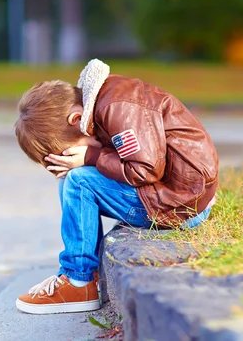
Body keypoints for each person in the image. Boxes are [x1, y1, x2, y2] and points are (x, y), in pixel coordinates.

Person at [13, 59, 218, 314]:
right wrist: (85, 157)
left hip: (181, 205)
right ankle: (75, 274)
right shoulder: (103, 102)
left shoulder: (118, 109)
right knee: (70, 177)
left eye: (68, 150)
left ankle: (79, 282)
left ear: (76, 119)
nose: (74, 155)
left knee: (78, 180)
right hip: (172, 193)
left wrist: (91, 157)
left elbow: (145, 169)